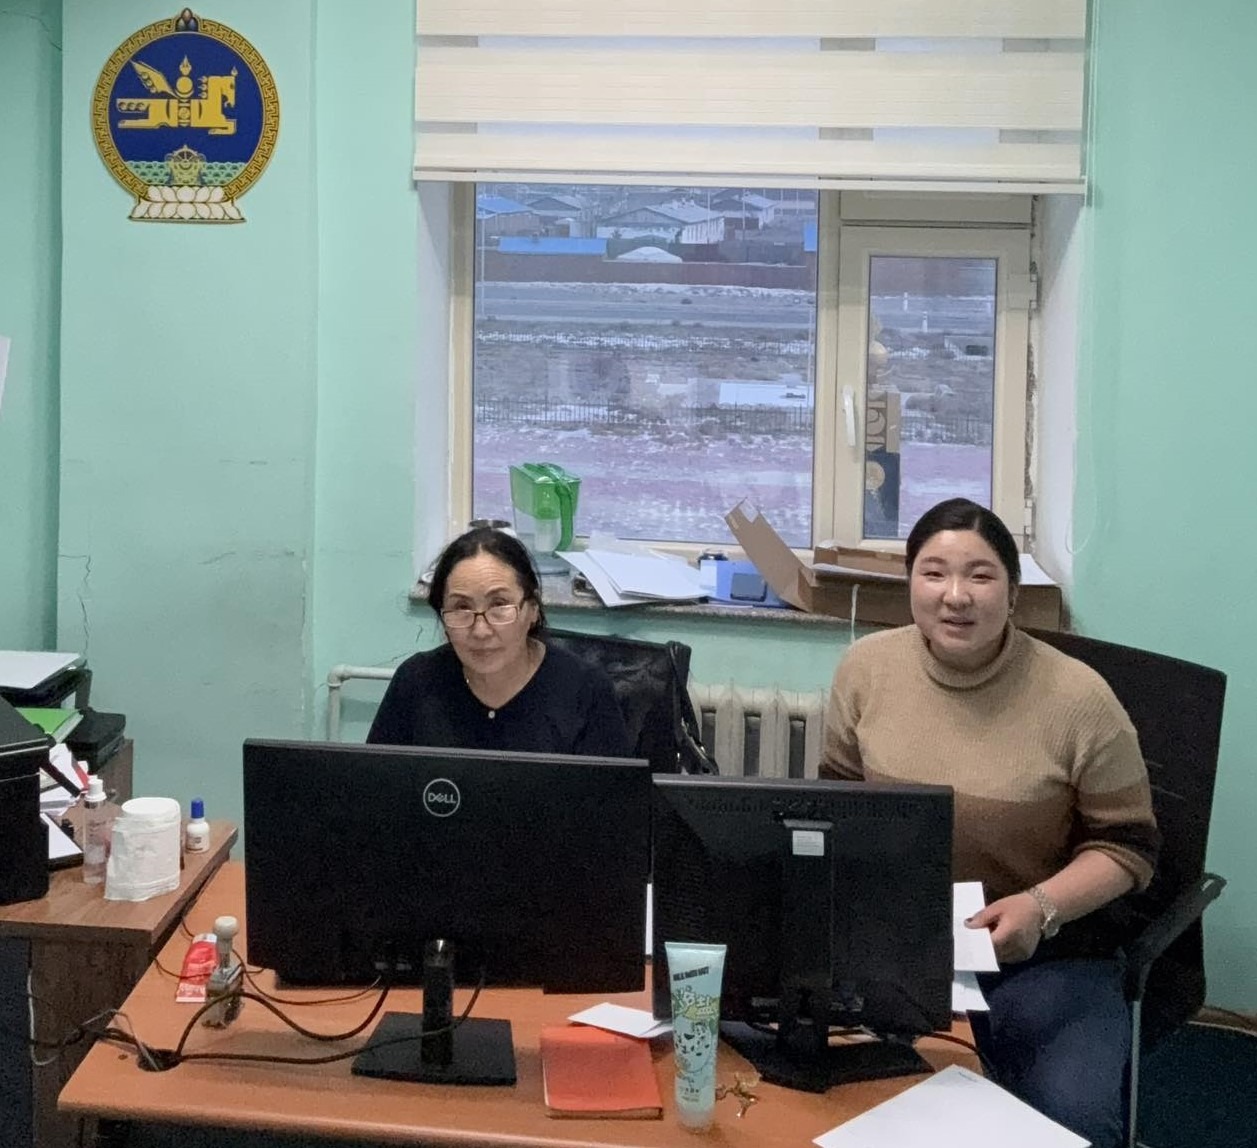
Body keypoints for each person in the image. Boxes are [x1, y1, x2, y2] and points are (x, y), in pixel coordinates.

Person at [821, 497, 1159, 1148]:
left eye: (979, 576)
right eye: (933, 573)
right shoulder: (866, 669)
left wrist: (1040, 907)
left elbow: (1128, 846)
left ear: (1012, 591)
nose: (955, 596)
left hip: (1047, 953)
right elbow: (837, 802)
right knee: (842, 1098)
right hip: (900, 943)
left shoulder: (1079, 698)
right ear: (909, 583)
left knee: (1072, 1122)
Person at [368, 526, 632, 757]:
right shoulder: (416, 682)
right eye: (461, 607)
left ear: (532, 609)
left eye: (499, 604)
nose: (481, 630)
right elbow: (375, 788)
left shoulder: (586, 691)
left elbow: (612, 796)